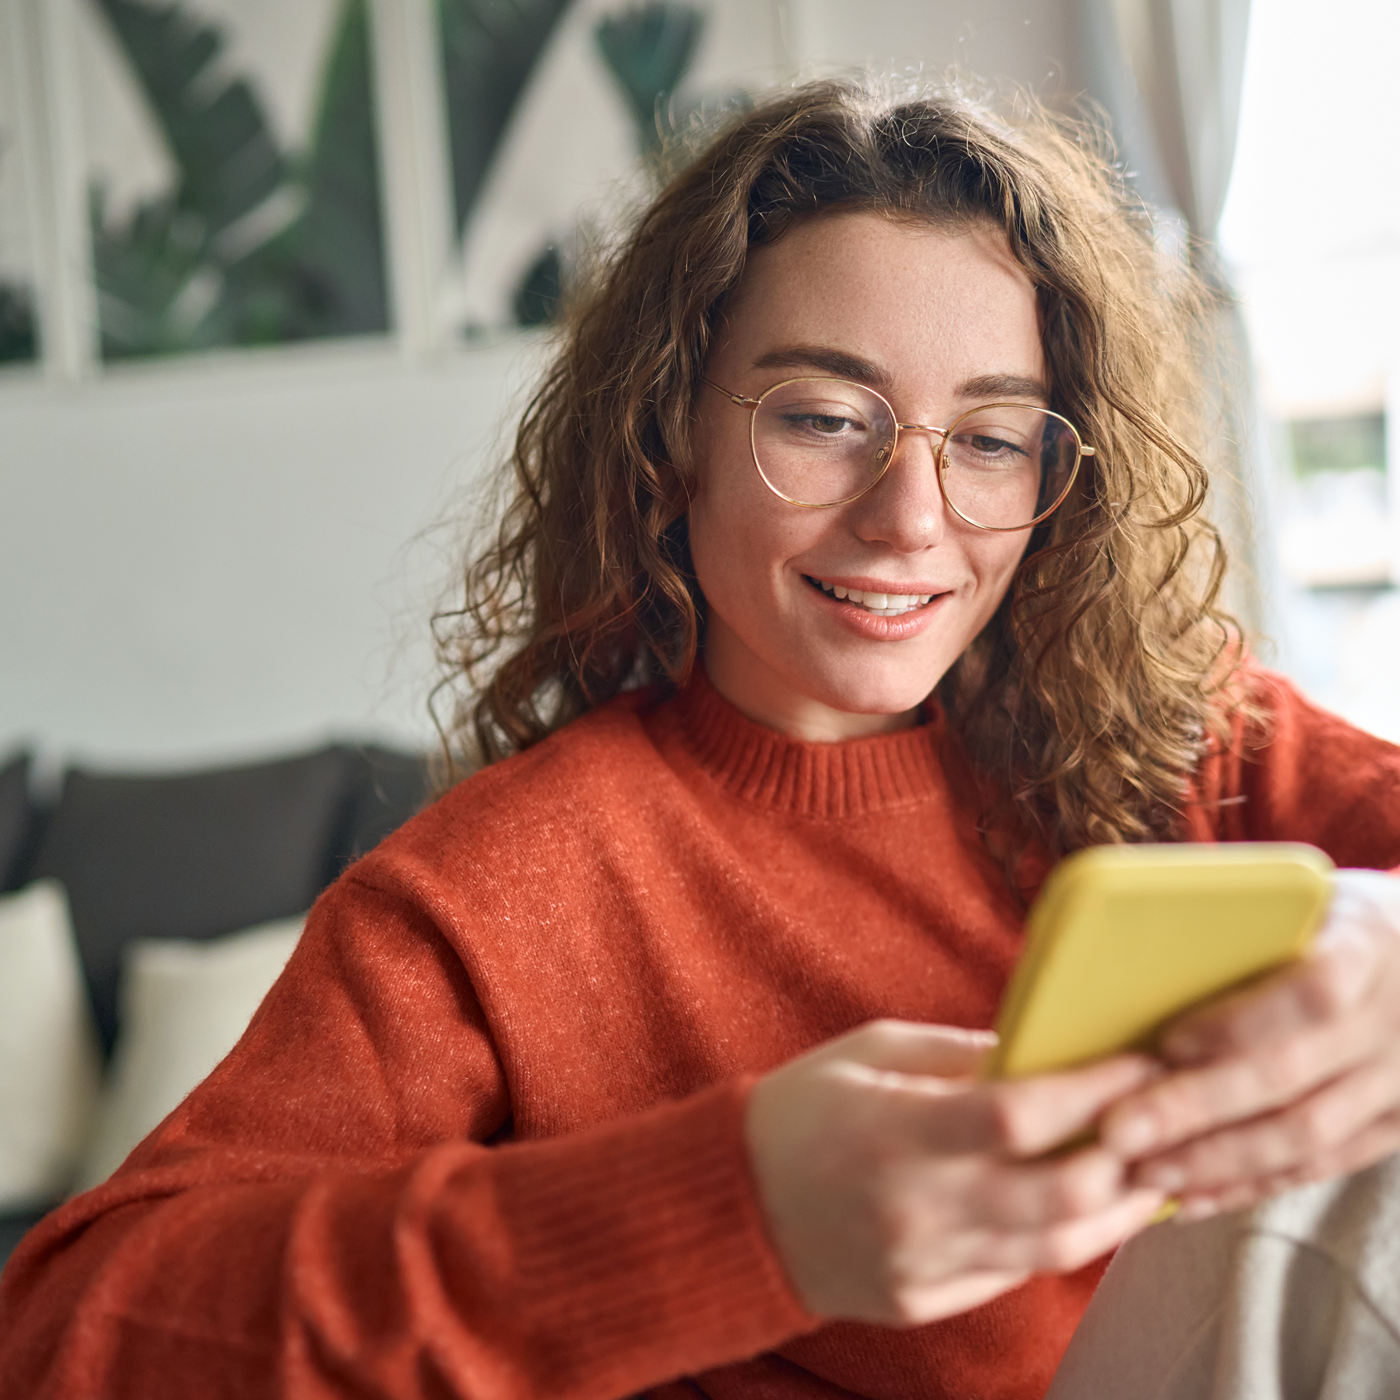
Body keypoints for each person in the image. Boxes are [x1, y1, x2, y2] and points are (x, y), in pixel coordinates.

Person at [3, 78, 1400, 1400]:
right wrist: (738, 1215)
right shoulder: (493, 898)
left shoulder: (1181, 728)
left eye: (992, 440)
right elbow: (70, 1338)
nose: (910, 517)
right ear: (671, 431)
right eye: (824, 418)